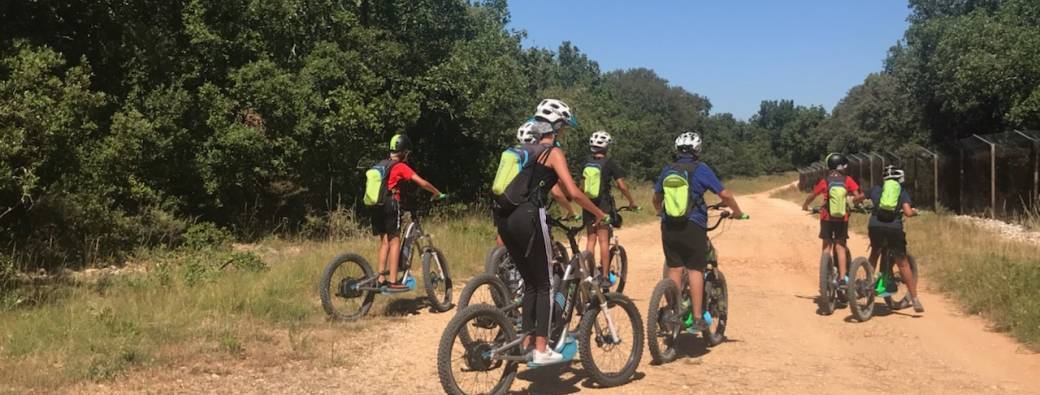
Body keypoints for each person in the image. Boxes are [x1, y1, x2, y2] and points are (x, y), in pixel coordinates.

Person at [495, 99, 608, 365]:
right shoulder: (553, 152)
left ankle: (526, 341)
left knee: (531, 284)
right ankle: (542, 348)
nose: (564, 133)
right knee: (545, 284)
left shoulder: (526, 151)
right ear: (555, 127)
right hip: (529, 217)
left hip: (504, 219)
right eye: (564, 128)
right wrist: (599, 214)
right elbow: (571, 191)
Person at [652, 131, 745, 331]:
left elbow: (656, 198)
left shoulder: (668, 169)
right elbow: (724, 194)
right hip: (693, 225)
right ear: (697, 150)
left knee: (675, 267)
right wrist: (737, 212)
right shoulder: (701, 169)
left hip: (669, 225)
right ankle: (696, 318)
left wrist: (661, 213)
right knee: (695, 268)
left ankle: (675, 313)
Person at [373, 134, 447, 290]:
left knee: (384, 242)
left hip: (376, 205)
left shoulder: (381, 165)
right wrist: (436, 192)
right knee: (395, 241)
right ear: (404, 152)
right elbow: (421, 182)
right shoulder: (399, 166)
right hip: (391, 204)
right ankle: (393, 281)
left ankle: (380, 278)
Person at [492, 122, 576, 247]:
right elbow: (557, 193)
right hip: (525, 205)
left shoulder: (513, 154)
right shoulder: (537, 159)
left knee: (503, 233)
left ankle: (501, 259)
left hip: (501, 198)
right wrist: (570, 210)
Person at [581, 130, 637, 288]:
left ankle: (588, 274)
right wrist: (631, 201)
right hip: (603, 204)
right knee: (604, 240)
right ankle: (604, 277)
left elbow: (581, 186)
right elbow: (621, 186)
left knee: (591, 239)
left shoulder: (586, 162)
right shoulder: (609, 163)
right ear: (606, 147)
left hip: (587, 203)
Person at [801, 153, 865, 290]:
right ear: (841, 166)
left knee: (827, 246)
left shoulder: (825, 181)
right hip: (842, 218)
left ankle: (825, 274)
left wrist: (805, 206)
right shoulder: (847, 180)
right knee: (840, 246)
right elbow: (858, 196)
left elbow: (812, 195)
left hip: (826, 217)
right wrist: (855, 203)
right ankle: (842, 278)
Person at [866, 165, 923, 312]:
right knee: (903, 264)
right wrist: (915, 212)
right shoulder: (901, 191)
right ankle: (915, 299)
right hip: (893, 228)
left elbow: (858, 198)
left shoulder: (876, 189)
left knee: (874, 253)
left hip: (875, 226)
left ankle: (867, 283)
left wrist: (857, 204)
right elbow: (908, 212)